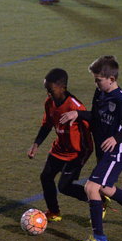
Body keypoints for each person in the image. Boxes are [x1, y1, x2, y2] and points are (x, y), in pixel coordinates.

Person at [59, 56, 122, 241]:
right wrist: (78, 114)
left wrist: (117, 138)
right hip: (104, 149)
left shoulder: (121, 99)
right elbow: (96, 116)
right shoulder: (100, 92)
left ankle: (99, 237)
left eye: (98, 80)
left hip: (116, 151)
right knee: (105, 188)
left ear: (111, 79)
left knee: (91, 187)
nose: (96, 83)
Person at [28, 69, 94, 222]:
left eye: (50, 90)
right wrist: (36, 144)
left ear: (62, 87)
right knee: (46, 177)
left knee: (65, 187)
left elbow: (90, 127)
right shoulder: (49, 103)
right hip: (59, 148)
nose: (48, 93)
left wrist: (85, 154)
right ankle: (54, 211)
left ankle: (98, 199)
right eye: (46, 89)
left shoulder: (75, 106)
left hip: (77, 152)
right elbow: (47, 125)